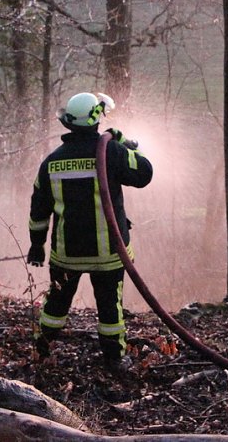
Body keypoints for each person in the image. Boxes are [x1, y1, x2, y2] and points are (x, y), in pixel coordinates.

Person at [27, 92, 153, 372]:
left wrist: (37, 246)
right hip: (108, 254)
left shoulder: (52, 162)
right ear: (97, 120)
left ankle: (41, 349)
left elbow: (38, 210)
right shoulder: (112, 152)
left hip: (67, 255)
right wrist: (130, 147)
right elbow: (144, 173)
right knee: (110, 308)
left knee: (56, 304)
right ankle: (115, 359)